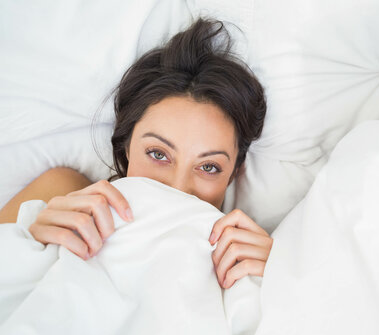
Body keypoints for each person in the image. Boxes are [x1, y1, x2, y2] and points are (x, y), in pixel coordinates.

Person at [0, 18, 272, 290]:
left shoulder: (247, 262)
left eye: (209, 167)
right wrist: (25, 247)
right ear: (127, 145)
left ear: (234, 172)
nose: (177, 189)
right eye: (158, 154)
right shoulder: (61, 195)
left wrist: (280, 283)